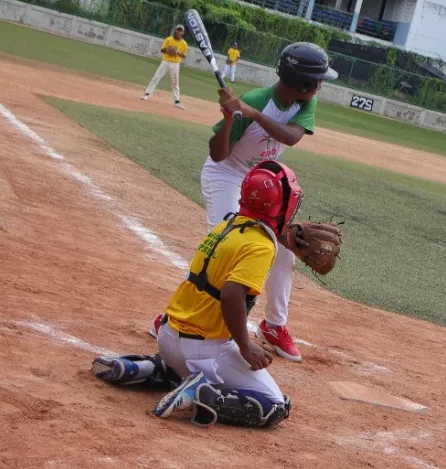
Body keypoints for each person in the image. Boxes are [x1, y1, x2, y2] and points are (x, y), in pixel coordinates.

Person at [151, 42, 336, 363]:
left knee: (282, 253)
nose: (321, 85)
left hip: (262, 180)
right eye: (318, 79)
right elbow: (218, 154)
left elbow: (291, 136)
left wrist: (250, 115)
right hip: (225, 174)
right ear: (304, 81)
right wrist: (229, 118)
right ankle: (174, 318)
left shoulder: (304, 103)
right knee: (227, 248)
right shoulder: (254, 101)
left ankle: (274, 326)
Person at [93, 161, 308, 428]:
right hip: (203, 349)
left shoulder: (225, 226)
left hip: (168, 338)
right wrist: (245, 346)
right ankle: (200, 393)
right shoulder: (261, 245)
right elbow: (231, 295)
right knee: (275, 404)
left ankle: (147, 369)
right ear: (280, 206)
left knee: (188, 363)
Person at [142, 25, 189, 109]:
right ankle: (146, 94)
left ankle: (177, 101)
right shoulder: (169, 39)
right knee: (156, 77)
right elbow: (162, 50)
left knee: (175, 83)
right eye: (178, 30)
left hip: (175, 64)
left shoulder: (183, 44)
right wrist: (168, 50)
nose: (179, 32)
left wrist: (177, 52)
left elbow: (184, 55)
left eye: (181, 30)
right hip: (165, 62)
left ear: (183, 33)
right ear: (175, 30)